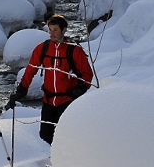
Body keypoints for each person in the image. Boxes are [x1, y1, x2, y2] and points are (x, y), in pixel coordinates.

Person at [11, 14, 93, 144]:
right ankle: (52, 160)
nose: (52, 33)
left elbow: (87, 74)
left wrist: (80, 89)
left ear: (64, 30)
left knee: (65, 135)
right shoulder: (42, 48)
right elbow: (30, 70)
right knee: (45, 135)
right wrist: (22, 90)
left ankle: (67, 161)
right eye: (50, 29)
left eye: (55, 30)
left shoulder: (74, 50)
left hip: (67, 100)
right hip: (48, 100)